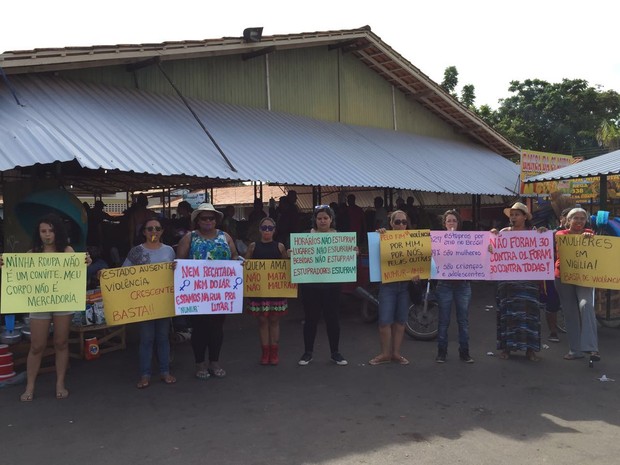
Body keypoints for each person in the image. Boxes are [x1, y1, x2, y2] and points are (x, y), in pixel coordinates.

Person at [0, 213, 91, 401]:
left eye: (51, 231)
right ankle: (30, 386)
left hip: (63, 301)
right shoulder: (31, 254)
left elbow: (76, 274)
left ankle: (60, 383)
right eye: (43, 231)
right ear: (38, 233)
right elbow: (19, 277)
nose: (47, 235)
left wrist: (86, 263)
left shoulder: (67, 251)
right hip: (40, 302)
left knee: (61, 342)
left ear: (57, 232)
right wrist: (7, 267)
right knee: (37, 345)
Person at [176, 203, 239, 379]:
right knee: (199, 329)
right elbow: (180, 260)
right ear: (197, 220)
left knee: (217, 328)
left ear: (216, 220)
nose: (208, 221)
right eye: (204, 218)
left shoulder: (225, 236)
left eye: (211, 218)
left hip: (220, 293)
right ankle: (199, 363)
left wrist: (238, 262)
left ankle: (214, 361)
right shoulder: (190, 238)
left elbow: (234, 255)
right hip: (197, 294)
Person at [123, 218, 176, 388]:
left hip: (163, 301)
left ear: (162, 231)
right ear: (144, 232)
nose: (154, 231)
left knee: (162, 337)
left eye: (157, 228)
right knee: (146, 338)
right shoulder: (136, 251)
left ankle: (164, 371)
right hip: (144, 302)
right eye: (150, 229)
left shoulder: (169, 251)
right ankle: (145, 374)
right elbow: (124, 273)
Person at [492, 202, 544, 362]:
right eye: (512, 215)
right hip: (507, 283)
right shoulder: (503, 233)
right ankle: (507, 348)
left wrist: (544, 234)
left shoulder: (534, 234)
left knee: (530, 315)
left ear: (524, 217)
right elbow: (493, 252)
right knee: (508, 314)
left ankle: (530, 350)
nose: (513, 217)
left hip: (528, 282)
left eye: (517, 214)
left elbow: (542, 250)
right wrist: (491, 239)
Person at [297, 205, 348, 366]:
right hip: (310, 285)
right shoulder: (306, 236)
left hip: (332, 285)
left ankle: (335, 352)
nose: (322, 221)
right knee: (310, 319)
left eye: (325, 218)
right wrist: (294, 253)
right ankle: (307, 352)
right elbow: (299, 255)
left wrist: (352, 251)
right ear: (315, 220)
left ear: (331, 220)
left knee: (332, 319)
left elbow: (345, 255)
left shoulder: (339, 237)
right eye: (319, 218)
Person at [554, 207, 599, 362]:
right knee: (570, 313)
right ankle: (575, 350)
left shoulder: (591, 235)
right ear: (568, 221)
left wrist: (589, 237)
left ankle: (592, 348)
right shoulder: (561, 234)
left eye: (582, 218)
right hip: (563, 277)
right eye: (576, 218)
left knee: (586, 306)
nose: (579, 221)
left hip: (584, 277)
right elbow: (560, 239)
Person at [368, 210, 411, 366]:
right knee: (385, 321)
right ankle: (385, 354)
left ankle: (396, 353)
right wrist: (377, 235)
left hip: (405, 285)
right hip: (388, 285)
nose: (401, 225)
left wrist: (418, 274)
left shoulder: (413, 239)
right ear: (391, 223)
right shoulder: (383, 237)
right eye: (397, 222)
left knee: (400, 321)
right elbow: (374, 250)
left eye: (404, 222)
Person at [245, 217, 288, 365]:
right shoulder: (252, 246)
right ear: (260, 230)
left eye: (270, 228)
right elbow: (246, 266)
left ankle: (274, 351)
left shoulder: (280, 246)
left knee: (275, 319)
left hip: (276, 289)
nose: (267, 231)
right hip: (259, 290)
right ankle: (265, 352)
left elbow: (286, 266)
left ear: (274, 230)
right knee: (262, 321)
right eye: (264, 228)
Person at [434, 210, 473, 363]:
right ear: (444, 224)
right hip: (444, 285)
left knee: (463, 321)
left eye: (454, 221)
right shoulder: (437, 240)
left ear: (458, 224)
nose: (451, 223)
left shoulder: (467, 240)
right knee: (443, 321)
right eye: (449, 221)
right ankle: (441, 352)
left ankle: (465, 352)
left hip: (462, 285)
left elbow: (476, 256)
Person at [541, 207, 572, 343]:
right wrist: (540, 233)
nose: (571, 220)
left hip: (573, 275)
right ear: (562, 218)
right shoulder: (552, 234)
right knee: (552, 303)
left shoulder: (579, 234)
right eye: (568, 217)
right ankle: (553, 332)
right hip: (553, 274)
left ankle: (574, 331)